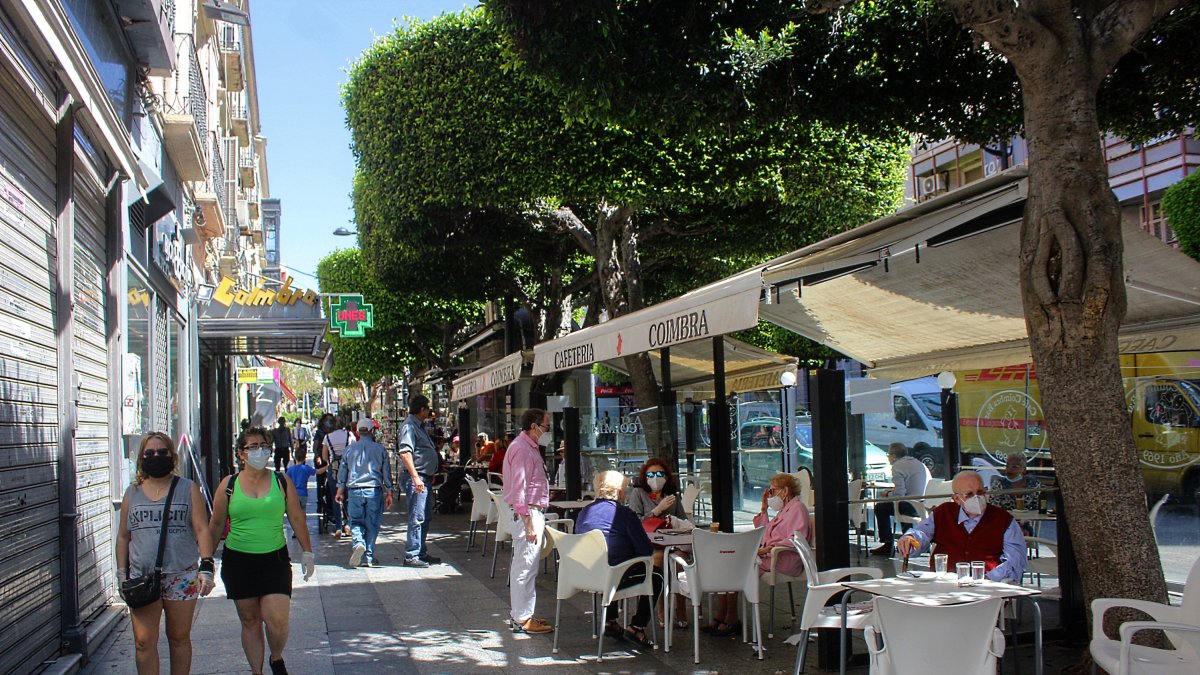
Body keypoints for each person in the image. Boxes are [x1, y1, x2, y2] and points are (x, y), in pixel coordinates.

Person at [209, 427, 315, 675]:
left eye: (263, 446)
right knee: (250, 620)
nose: (260, 451)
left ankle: (276, 656)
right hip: (238, 561)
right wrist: (206, 560)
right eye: (252, 446)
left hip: (274, 560)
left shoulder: (281, 481)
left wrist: (307, 552)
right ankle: (256, 671)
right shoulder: (229, 485)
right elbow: (215, 524)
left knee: (277, 619)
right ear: (241, 453)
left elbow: (297, 518)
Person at [116, 432, 215, 675]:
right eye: (149, 453)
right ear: (141, 458)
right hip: (142, 577)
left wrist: (207, 566)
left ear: (172, 456)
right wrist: (121, 573)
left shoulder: (188, 489)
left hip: (180, 575)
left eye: (162, 452)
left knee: (179, 637)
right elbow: (123, 536)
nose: (156, 457)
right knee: (143, 641)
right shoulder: (132, 493)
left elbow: (202, 529)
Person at [705, 472, 812, 637]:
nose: (770, 495)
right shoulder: (786, 510)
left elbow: (796, 539)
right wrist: (764, 509)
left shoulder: (797, 509)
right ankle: (724, 615)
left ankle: (730, 617)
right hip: (772, 555)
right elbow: (765, 533)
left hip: (784, 557)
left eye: (772, 491)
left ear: (785, 491)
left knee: (736, 567)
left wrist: (768, 549)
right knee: (730, 565)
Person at [576, 471, 659, 648]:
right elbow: (646, 550)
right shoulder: (624, 514)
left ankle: (610, 620)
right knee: (656, 575)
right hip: (614, 576)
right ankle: (637, 626)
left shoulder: (584, 512)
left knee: (611, 561)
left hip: (587, 574)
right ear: (620, 492)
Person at [897, 470, 1028, 581]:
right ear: (956, 499)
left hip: (985, 589)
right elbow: (923, 533)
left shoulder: (1003, 519)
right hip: (943, 586)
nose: (976, 498)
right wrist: (910, 538)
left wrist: (988, 578)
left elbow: (1015, 560)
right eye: (969, 495)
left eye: (980, 492)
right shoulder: (943, 512)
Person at [502, 408, 554, 634]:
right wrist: (528, 520)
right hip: (529, 512)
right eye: (546, 426)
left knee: (526, 566)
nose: (548, 430)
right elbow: (519, 488)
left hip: (530, 512)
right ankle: (522, 618)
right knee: (525, 566)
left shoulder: (525, 447)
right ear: (534, 426)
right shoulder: (523, 449)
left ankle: (523, 614)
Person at [336, 418, 395, 567]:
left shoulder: (350, 449)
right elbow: (386, 472)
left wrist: (340, 489)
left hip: (355, 491)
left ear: (358, 431)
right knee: (372, 523)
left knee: (355, 521)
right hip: (373, 491)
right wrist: (389, 491)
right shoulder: (380, 449)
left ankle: (358, 543)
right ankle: (368, 556)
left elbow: (343, 471)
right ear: (371, 431)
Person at [397, 394, 441, 567]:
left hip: (425, 477)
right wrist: (416, 477)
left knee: (426, 516)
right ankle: (412, 554)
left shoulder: (419, 426)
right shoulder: (409, 427)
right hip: (418, 478)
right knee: (417, 516)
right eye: (428, 409)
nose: (429, 412)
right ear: (422, 409)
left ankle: (421, 551)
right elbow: (405, 452)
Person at [871, 443, 929, 556]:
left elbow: (900, 494)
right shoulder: (918, 463)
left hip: (910, 506)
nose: (888, 457)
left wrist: (887, 494)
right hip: (923, 505)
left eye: (888, 454)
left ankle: (887, 543)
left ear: (893, 455)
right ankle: (907, 540)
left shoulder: (897, 466)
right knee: (899, 505)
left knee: (880, 507)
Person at [322, 418, 353, 537]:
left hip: (333, 470)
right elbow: (354, 451)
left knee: (335, 498)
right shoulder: (349, 435)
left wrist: (329, 462)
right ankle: (348, 524)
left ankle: (338, 527)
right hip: (348, 470)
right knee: (347, 498)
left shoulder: (327, 437)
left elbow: (324, 455)